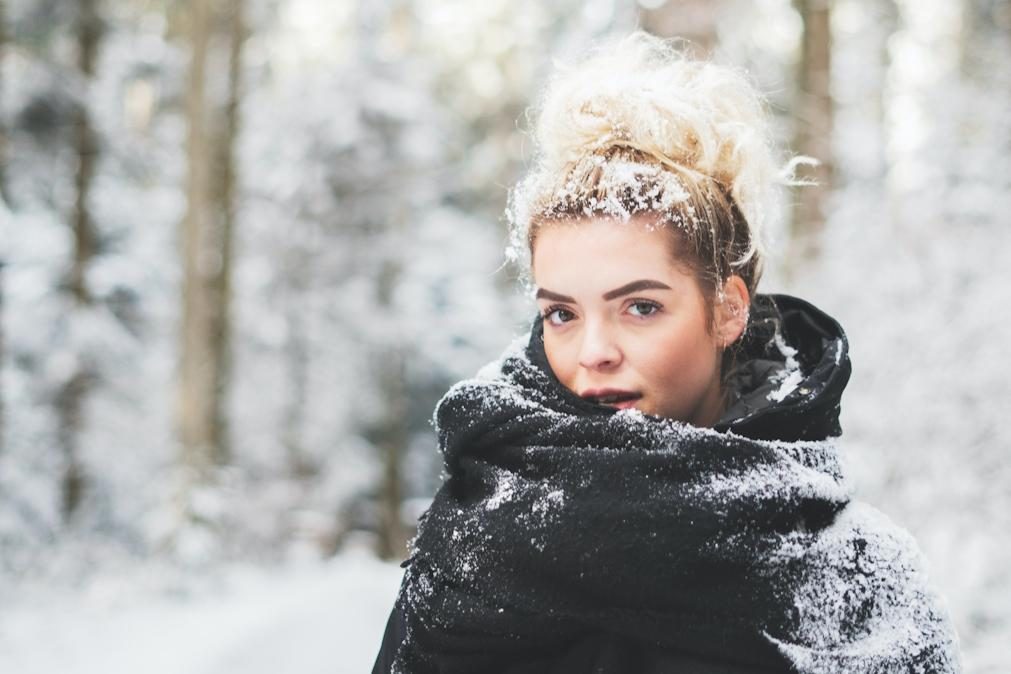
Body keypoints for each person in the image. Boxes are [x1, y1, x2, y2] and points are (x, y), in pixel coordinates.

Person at [372, 32, 960, 674]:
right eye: (562, 314)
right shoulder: (474, 539)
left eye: (640, 307)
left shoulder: (864, 577)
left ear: (728, 308)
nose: (592, 352)